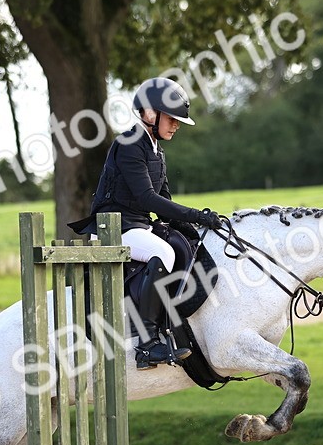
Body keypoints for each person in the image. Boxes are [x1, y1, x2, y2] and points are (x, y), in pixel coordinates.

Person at [68, 77, 224, 369]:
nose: (176, 125)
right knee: (162, 253)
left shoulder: (155, 150)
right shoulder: (129, 144)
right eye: (172, 118)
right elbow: (148, 198)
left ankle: (168, 327)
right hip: (112, 229)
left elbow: (165, 203)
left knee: (182, 243)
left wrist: (201, 227)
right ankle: (147, 343)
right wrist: (195, 214)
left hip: (135, 225)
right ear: (150, 114)